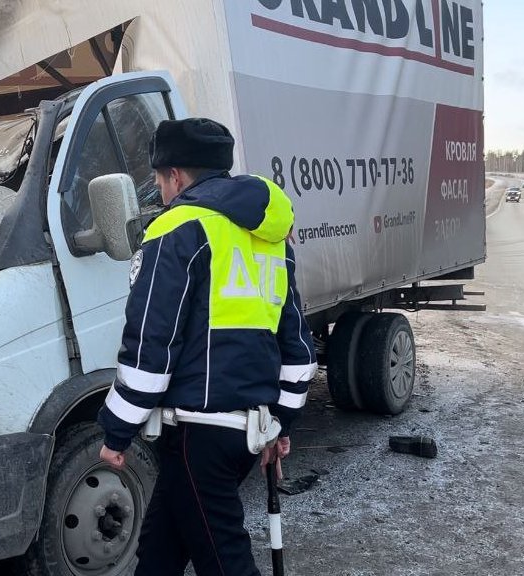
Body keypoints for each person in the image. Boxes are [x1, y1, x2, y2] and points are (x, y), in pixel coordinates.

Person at [97, 117, 317, 575]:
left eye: (159, 180)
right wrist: (281, 423)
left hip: (198, 433)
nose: (160, 191)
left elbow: (151, 346)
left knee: (225, 561)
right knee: (160, 549)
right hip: (243, 433)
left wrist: (117, 429)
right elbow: (296, 345)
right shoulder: (272, 240)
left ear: (174, 176)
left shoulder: (177, 228)